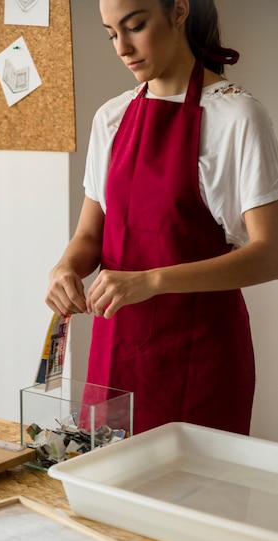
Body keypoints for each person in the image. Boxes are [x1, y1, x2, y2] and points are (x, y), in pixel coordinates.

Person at [46, 0, 278, 436]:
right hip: (115, 354)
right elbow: (89, 235)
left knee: (195, 498)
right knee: (105, 493)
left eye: (134, 26)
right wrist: (66, 268)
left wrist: (151, 280)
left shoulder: (238, 117)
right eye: (111, 33)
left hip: (200, 359)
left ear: (179, 10)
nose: (121, 47)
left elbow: (272, 254)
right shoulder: (110, 118)